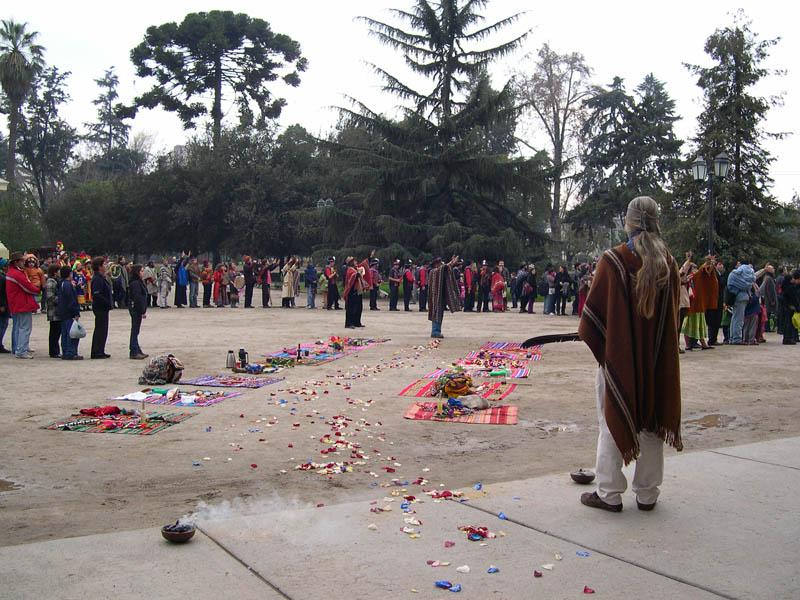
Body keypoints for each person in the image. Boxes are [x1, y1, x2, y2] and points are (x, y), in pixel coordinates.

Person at [578, 196, 682, 513]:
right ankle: (648, 493)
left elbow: (593, 317)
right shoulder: (670, 263)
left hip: (618, 359)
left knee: (611, 419)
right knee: (651, 420)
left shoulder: (613, 261)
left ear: (629, 222)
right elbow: (674, 318)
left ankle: (609, 493)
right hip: (656, 362)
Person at [5, 252, 40, 359]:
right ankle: (21, 350)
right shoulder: (17, 274)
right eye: (22, 261)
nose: (24, 263)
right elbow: (28, 286)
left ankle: (17, 348)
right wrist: (38, 290)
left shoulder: (11, 272)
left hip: (16, 303)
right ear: (16, 262)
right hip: (22, 303)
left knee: (18, 327)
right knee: (25, 328)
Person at [681, 257, 717, 351]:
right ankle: (689, 344)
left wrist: (711, 264)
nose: (696, 269)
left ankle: (700, 344)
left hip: (697, 305)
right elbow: (702, 270)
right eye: (694, 268)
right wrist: (707, 262)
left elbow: (707, 272)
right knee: (690, 325)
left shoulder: (694, 276)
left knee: (698, 325)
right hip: (693, 305)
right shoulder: (692, 276)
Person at [428, 256, 461, 338]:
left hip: (440, 297)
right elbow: (444, 268)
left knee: (439, 314)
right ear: (436, 264)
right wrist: (451, 262)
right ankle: (435, 331)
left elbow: (445, 269)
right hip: (435, 297)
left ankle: (436, 330)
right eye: (439, 263)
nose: (441, 264)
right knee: (436, 313)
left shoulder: (438, 271)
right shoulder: (434, 272)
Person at [56, 265, 82, 360]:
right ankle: (71, 352)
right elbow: (71, 300)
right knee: (72, 333)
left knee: (65, 333)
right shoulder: (68, 285)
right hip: (69, 313)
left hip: (63, 312)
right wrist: (75, 312)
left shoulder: (62, 283)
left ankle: (66, 351)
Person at [727, 262, 756, 344]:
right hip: (742, 297)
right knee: (739, 319)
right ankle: (737, 339)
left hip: (735, 297)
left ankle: (732, 338)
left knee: (734, 318)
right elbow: (752, 279)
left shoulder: (733, 275)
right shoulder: (748, 275)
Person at [90, 256, 113, 359]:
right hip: (100, 307)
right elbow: (97, 294)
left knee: (103, 330)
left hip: (103, 308)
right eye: (103, 264)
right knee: (100, 329)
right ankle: (96, 352)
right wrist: (107, 302)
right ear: (99, 266)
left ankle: (100, 350)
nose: (105, 266)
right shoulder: (97, 279)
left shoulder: (101, 277)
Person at [128, 264, 149, 359]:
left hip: (138, 309)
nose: (142, 273)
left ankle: (137, 349)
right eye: (141, 271)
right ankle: (133, 351)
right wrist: (142, 310)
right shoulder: (135, 283)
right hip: (136, 309)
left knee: (136, 331)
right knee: (135, 331)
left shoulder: (138, 282)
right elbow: (137, 298)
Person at [343, 256, 368, 329]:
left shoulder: (355, 269)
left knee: (358, 307)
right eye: (354, 261)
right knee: (351, 308)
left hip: (358, 291)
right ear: (351, 263)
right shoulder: (350, 270)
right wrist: (357, 273)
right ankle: (349, 323)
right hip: (352, 291)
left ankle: (357, 322)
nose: (356, 262)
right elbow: (352, 277)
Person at [706, 261, 726, 346]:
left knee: (717, 320)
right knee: (713, 320)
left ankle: (714, 338)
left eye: (722, 264)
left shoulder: (720, 275)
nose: (721, 266)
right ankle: (712, 339)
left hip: (719, 300)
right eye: (719, 264)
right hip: (714, 301)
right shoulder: (714, 274)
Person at [44, 263, 61, 358]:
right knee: (54, 333)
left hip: (56, 311)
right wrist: (61, 299)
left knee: (56, 332)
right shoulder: (51, 282)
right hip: (53, 311)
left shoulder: (55, 281)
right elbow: (50, 297)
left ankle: (55, 350)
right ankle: (53, 351)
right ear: (55, 272)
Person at [780, 269, 800, 345]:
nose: (793, 280)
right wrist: (797, 307)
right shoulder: (791, 288)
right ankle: (789, 339)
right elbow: (794, 299)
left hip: (786, 307)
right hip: (790, 307)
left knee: (788, 323)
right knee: (789, 323)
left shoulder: (785, 287)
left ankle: (788, 338)